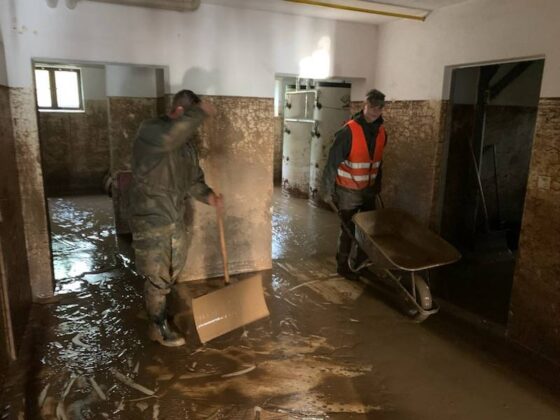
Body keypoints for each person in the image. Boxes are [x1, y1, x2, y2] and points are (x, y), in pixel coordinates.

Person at [130, 89, 223, 347]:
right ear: (181, 112)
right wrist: (201, 111)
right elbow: (170, 137)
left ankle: (158, 307)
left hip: (174, 216)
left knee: (173, 269)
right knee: (156, 274)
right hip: (150, 217)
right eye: (191, 118)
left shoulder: (186, 147)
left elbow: (193, 179)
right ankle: (157, 325)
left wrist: (208, 196)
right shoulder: (151, 131)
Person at [322, 89, 387, 281]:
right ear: (364, 105)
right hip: (349, 191)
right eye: (372, 106)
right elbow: (332, 163)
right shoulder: (347, 132)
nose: (376, 111)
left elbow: (378, 161)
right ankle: (343, 265)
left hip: (368, 190)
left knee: (368, 231)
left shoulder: (382, 132)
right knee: (349, 229)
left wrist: (377, 185)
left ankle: (361, 263)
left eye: (380, 107)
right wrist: (326, 190)